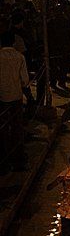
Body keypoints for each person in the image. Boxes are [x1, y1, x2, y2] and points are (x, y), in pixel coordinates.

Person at [0, 30, 32, 173]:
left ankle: (5, 157)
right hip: (15, 95)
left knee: (3, 127)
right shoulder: (19, 57)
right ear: (13, 42)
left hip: (2, 97)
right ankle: (18, 156)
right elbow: (24, 80)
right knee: (17, 126)